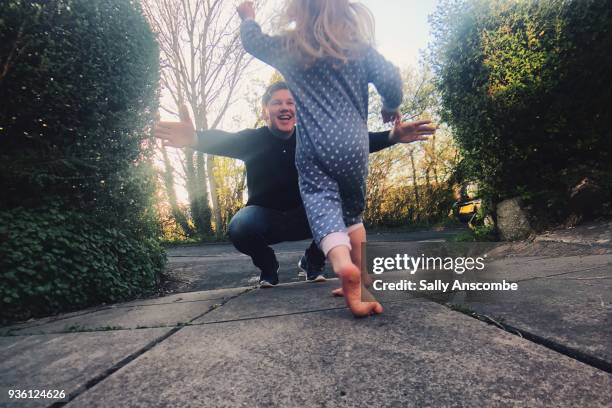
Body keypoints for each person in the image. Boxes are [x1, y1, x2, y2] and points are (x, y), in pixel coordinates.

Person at [155, 82, 434, 288]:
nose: (285, 107)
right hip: (266, 217)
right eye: (277, 103)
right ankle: (268, 266)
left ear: (298, 112)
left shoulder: (313, 137)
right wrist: (194, 139)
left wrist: (391, 136)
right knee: (240, 226)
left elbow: (352, 145)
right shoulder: (254, 139)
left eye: (290, 103)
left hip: (307, 216)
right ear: (266, 112)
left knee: (346, 212)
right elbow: (223, 139)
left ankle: (312, 261)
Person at [237, 0, 409, 316]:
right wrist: (391, 105)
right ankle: (362, 281)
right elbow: (390, 77)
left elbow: (252, 42)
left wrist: (248, 18)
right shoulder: (358, 48)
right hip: (354, 144)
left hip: (314, 146)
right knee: (352, 215)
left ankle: (342, 264)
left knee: (322, 207)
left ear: (297, 11)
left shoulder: (291, 47)